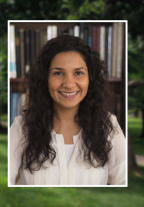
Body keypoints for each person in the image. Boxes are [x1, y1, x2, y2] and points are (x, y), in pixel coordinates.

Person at [9, 35, 126, 185]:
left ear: (90, 79)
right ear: (45, 79)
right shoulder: (22, 127)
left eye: (78, 73)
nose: (69, 84)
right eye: (58, 73)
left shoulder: (108, 125)